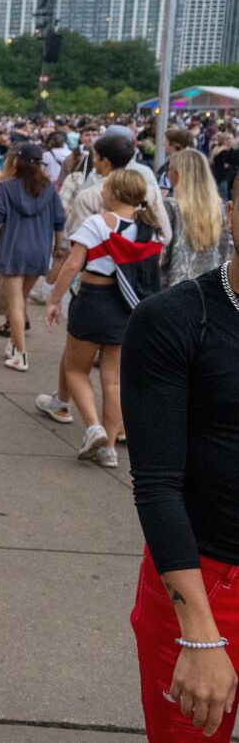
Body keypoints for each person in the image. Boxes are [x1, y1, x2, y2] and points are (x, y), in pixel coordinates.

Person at [123, 194, 239, 740]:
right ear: (232, 212)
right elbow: (157, 484)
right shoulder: (175, 317)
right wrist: (200, 634)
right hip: (208, 583)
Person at [44, 170, 162, 468]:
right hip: (127, 308)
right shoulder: (150, 228)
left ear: (116, 193)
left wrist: (54, 300)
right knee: (113, 381)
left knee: (76, 369)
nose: (102, 192)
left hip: (93, 300)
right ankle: (109, 447)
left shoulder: (96, 223)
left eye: (106, 188)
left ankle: (93, 428)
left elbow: (72, 265)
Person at [0, 143, 65, 372]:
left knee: (15, 303)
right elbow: (59, 220)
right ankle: (14, 344)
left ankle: (21, 355)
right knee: (20, 300)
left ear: (16, 162)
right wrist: (58, 246)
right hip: (39, 250)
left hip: (13, 249)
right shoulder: (49, 190)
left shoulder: (6, 187)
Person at [162, 148, 231, 287]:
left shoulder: (171, 207)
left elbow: (162, 254)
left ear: (179, 174)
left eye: (170, 170)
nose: (168, 174)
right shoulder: (219, 207)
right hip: (209, 287)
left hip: (176, 287)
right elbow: (225, 252)